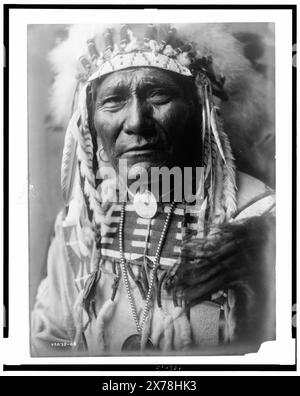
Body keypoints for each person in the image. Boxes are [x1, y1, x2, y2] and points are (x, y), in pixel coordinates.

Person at [31, 24, 275, 356]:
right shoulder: (83, 225)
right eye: (114, 100)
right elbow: (48, 344)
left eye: (159, 95)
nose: (136, 122)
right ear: (92, 127)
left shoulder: (261, 216)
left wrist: (268, 253)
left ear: (200, 114)